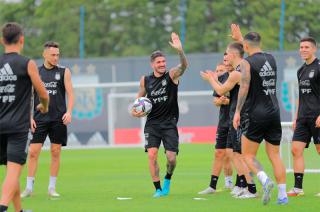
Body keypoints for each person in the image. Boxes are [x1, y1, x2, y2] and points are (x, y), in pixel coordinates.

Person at [232, 29, 288, 205]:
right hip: (274, 112)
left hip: (256, 113)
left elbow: (244, 87)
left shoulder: (246, 63)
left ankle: (264, 180)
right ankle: (283, 196)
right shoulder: (271, 58)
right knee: (275, 155)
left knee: (247, 155)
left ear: (246, 46)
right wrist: (241, 39)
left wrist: (237, 111)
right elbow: (254, 51)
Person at [131, 32, 188, 197]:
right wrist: (136, 110)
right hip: (152, 124)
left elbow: (184, 66)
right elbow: (139, 98)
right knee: (152, 155)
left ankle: (168, 179)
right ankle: (157, 189)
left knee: (171, 159)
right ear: (152, 64)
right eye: (159, 62)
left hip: (169, 123)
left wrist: (180, 51)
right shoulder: (145, 80)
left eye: (164, 61)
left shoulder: (171, 75)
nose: (162, 64)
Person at [0, 22, 49, 212]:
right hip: (17, 128)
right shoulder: (26, 63)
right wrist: (43, 107)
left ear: (2, 40)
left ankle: (18, 210)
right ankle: (3, 207)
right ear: (22, 40)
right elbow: (43, 94)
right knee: (13, 171)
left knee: (10, 171)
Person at [201, 42, 257, 199]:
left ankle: (246, 185)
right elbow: (217, 98)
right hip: (227, 120)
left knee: (238, 154)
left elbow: (224, 94)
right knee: (227, 153)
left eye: (226, 59)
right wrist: (220, 99)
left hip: (238, 118)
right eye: (218, 69)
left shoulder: (236, 75)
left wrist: (212, 80)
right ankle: (226, 185)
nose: (225, 63)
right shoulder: (230, 76)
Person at [21, 41, 74, 198]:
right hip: (39, 119)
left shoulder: (64, 72)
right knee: (33, 152)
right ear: (44, 54)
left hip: (58, 119)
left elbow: (71, 94)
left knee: (55, 152)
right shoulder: (35, 72)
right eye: (53, 55)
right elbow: (28, 97)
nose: (56, 57)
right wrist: (29, 116)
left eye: (58, 55)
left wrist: (69, 112)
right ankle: (29, 188)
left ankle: (52, 188)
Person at [287, 37, 320, 197]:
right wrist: (296, 117)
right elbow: (301, 95)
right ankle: (297, 188)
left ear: (314, 49)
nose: (303, 50)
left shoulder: (319, 67)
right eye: (301, 47)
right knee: (295, 149)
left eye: (307, 47)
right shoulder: (300, 70)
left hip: (317, 117)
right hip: (303, 118)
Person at [198, 62, 234, 195]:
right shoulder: (218, 82)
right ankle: (213, 186)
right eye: (217, 70)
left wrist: (228, 101)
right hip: (223, 122)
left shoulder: (233, 78)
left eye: (221, 69)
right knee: (219, 153)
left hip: (234, 121)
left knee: (232, 154)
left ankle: (242, 183)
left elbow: (239, 100)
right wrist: (221, 101)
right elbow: (216, 101)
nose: (218, 72)